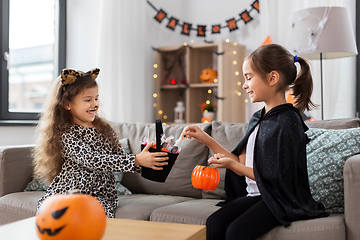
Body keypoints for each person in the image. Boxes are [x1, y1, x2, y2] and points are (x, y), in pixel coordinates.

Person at [185, 44, 328, 240]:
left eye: (249, 77)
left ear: (272, 78)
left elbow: (277, 178)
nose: (244, 85)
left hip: (279, 199)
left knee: (237, 232)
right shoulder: (258, 118)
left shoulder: (288, 121)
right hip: (256, 196)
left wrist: (232, 165)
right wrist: (206, 139)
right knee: (214, 222)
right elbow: (241, 163)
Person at [33, 68, 168, 218]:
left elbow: (119, 158)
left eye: (96, 98)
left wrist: (150, 162)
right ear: (67, 104)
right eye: (87, 100)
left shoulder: (104, 128)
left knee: (92, 219)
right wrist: (136, 160)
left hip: (100, 195)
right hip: (69, 191)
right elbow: (91, 159)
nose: (95, 104)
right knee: (56, 216)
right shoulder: (66, 133)